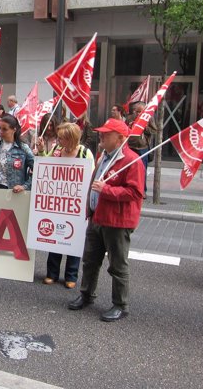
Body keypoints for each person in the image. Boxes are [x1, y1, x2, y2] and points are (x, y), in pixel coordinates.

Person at [68, 118, 144, 322]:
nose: (101, 136)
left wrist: (106, 190)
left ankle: (120, 304)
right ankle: (86, 294)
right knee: (90, 260)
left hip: (117, 222)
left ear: (120, 138)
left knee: (117, 265)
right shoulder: (105, 156)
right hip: (97, 217)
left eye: (106, 133)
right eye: (102, 132)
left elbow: (135, 193)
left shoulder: (132, 160)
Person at [43, 123, 94, 289]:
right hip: (58, 201)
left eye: (62, 138)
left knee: (74, 239)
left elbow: (90, 176)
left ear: (71, 138)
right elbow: (46, 164)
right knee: (54, 237)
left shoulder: (84, 153)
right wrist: (41, 151)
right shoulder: (57, 150)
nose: (59, 140)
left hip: (75, 203)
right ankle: (52, 273)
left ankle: (71, 275)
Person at [127, 101, 156, 197]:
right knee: (130, 169)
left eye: (140, 112)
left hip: (142, 148)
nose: (138, 114)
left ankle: (143, 190)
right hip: (131, 147)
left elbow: (154, 130)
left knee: (142, 169)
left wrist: (145, 128)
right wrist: (129, 126)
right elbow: (124, 129)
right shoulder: (130, 118)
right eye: (136, 111)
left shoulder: (148, 118)